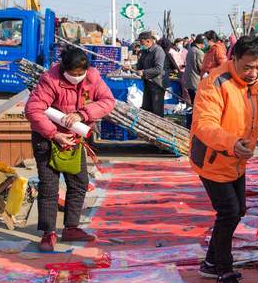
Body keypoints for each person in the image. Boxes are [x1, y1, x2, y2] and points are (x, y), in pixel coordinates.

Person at [190, 36, 258, 283]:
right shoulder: (214, 83)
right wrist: (231, 142)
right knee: (228, 211)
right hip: (213, 156)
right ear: (233, 59)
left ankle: (211, 261)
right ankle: (224, 272)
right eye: (248, 67)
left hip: (239, 156)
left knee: (238, 211)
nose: (253, 73)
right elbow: (205, 124)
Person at [25, 47, 116, 252]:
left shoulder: (92, 77)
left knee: (79, 182)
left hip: (74, 138)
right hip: (47, 138)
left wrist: (83, 114)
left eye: (80, 74)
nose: (76, 78)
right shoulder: (50, 79)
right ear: (63, 69)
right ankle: (49, 233)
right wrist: (54, 134)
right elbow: (33, 109)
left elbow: (108, 101)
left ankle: (71, 227)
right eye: (72, 74)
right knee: (49, 186)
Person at [136, 31, 166, 117]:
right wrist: (132, 67)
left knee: (157, 110)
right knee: (146, 107)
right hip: (147, 82)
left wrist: (144, 72)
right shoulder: (144, 51)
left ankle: (158, 128)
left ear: (148, 41)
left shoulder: (158, 51)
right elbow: (140, 66)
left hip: (157, 84)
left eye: (141, 42)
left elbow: (159, 69)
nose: (140, 44)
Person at [182, 34, 207, 105]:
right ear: (202, 43)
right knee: (197, 103)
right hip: (196, 81)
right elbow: (201, 68)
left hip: (189, 80)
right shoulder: (199, 52)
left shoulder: (190, 50)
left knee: (192, 102)